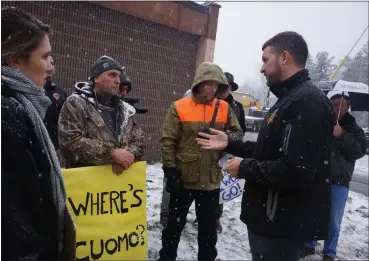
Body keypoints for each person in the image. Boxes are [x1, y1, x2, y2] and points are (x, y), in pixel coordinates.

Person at [196, 32, 334, 261]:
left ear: (284, 57)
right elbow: (269, 150)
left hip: (280, 223)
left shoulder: (306, 101)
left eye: (265, 59)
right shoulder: (289, 98)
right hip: (271, 220)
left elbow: (296, 171)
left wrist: (244, 168)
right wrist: (230, 143)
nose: (261, 68)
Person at [1, 7, 73, 259]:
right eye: (44, 58)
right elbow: (12, 226)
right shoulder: (7, 115)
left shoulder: (20, 106)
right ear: (15, 60)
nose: (49, 67)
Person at [159, 62, 243, 261]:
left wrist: (223, 136)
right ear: (198, 83)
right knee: (173, 228)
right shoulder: (179, 106)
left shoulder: (224, 107)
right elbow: (167, 140)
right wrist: (170, 170)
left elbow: (237, 134)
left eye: (215, 85)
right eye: (207, 84)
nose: (211, 89)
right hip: (183, 178)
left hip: (211, 181)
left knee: (208, 232)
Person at [301, 93, 367, 261]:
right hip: (318, 176)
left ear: (347, 107)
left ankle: (329, 251)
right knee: (313, 212)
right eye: (335, 105)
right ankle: (309, 244)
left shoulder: (355, 129)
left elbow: (358, 152)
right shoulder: (322, 123)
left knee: (333, 219)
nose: (338, 108)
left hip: (339, 180)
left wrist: (341, 135)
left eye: (342, 105)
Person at [58, 55, 145, 173]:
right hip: (86, 183)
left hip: (120, 184)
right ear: (96, 78)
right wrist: (112, 155)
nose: (118, 81)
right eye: (112, 75)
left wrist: (126, 157)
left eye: (119, 76)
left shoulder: (125, 109)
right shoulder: (76, 103)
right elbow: (70, 142)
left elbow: (139, 141)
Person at [214, 71, 246, 233]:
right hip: (208, 150)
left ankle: (216, 218)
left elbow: (241, 131)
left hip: (226, 152)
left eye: (228, 86)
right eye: (222, 85)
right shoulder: (210, 102)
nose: (225, 89)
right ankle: (202, 213)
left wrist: (229, 140)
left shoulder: (237, 107)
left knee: (220, 186)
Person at [43, 55, 67, 154]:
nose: (50, 67)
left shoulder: (59, 92)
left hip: (56, 148)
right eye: (45, 62)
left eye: (52, 64)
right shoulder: (29, 89)